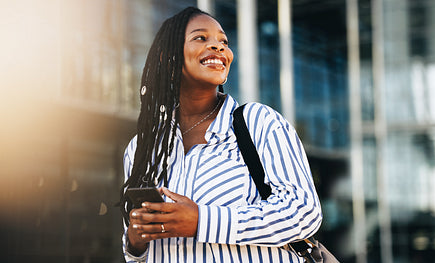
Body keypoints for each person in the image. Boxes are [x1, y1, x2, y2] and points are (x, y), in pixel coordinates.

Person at [119, 6, 322, 262]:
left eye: (223, 41)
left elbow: (304, 212)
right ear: (167, 56)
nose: (218, 47)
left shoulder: (259, 122)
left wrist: (202, 221)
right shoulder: (142, 148)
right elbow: (135, 257)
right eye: (201, 38)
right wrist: (135, 244)